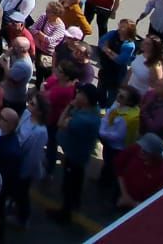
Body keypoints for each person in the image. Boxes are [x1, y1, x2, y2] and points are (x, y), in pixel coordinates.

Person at [50, 85, 101, 224]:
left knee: (69, 184)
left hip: (74, 154)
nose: (76, 95)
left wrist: (69, 106)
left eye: (80, 94)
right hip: (79, 154)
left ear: (85, 99)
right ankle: (75, 201)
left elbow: (61, 123)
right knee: (76, 179)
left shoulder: (83, 120)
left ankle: (65, 213)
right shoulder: (92, 111)